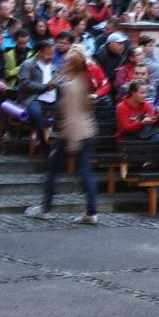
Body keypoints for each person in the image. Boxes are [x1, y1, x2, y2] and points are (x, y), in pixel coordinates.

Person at [26, 48, 99, 223]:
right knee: (86, 173)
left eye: (66, 61)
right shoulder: (83, 81)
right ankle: (91, 212)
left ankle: (46, 208)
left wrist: (72, 141)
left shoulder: (70, 87)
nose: (62, 63)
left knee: (53, 170)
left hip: (72, 134)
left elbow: (71, 114)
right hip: (88, 131)